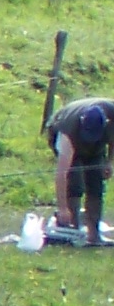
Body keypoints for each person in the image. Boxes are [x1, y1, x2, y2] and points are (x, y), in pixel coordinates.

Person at [49, 95, 112, 245]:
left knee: (96, 184)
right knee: (75, 182)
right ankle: (73, 230)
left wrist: (109, 162)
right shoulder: (68, 130)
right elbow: (61, 174)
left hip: (97, 149)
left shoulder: (112, 116)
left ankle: (94, 235)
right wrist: (62, 208)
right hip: (67, 137)